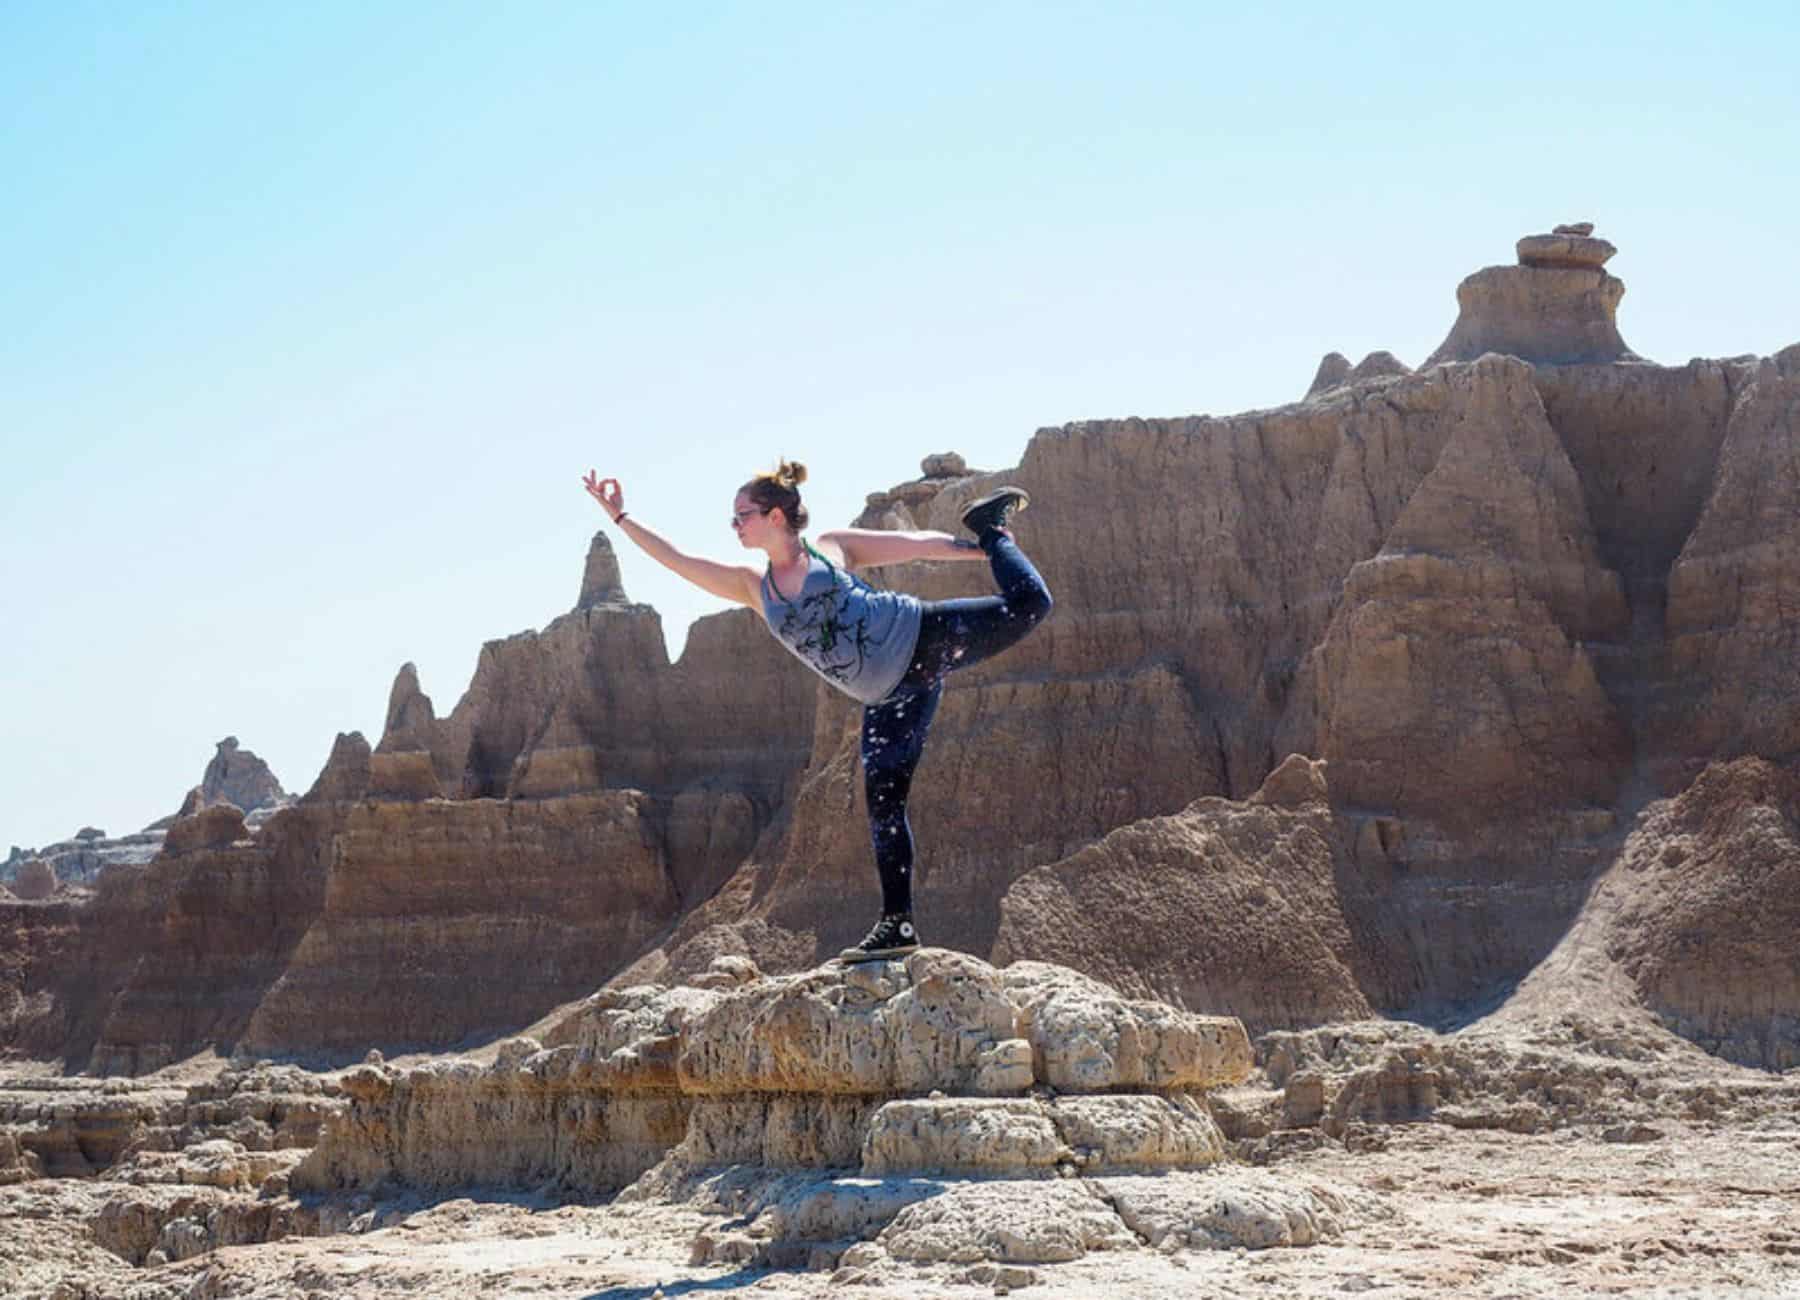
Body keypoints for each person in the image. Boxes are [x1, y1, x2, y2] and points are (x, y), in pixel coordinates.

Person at [581, 460, 1052, 962]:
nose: (735, 525)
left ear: (776, 515)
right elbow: (677, 559)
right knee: (885, 810)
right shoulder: (752, 587)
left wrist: (982, 547)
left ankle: (991, 525)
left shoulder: (831, 548)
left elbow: (918, 547)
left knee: (1030, 604)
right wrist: (621, 517)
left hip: (921, 639)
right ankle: (898, 926)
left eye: (742, 515)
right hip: (890, 698)